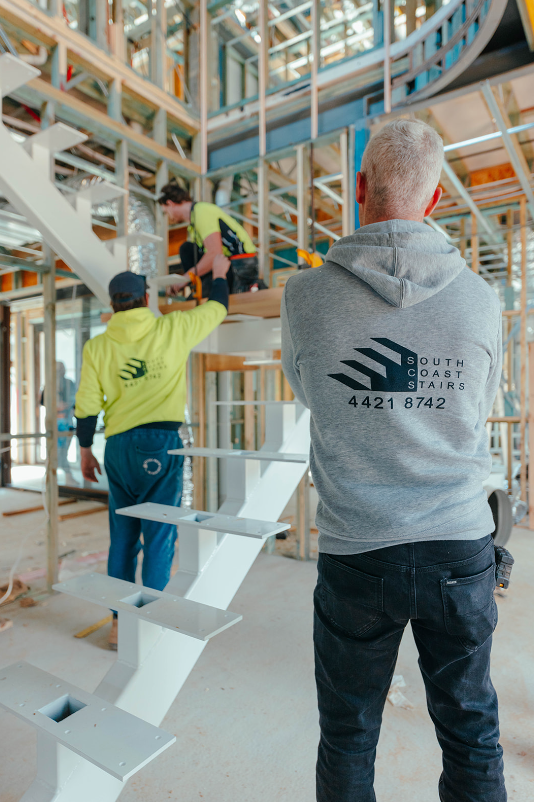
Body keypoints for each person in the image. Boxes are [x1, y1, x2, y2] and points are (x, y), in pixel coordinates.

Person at [281, 119, 505, 802]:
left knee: (349, 736)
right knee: (471, 734)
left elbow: (309, 390)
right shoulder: (481, 300)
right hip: (459, 546)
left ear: (358, 189)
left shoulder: (305, 295)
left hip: (358, 550)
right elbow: (476, 410)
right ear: (435, 200)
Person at [74, 256, 231, 649]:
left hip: (118, 448)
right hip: (159, 446)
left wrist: (84, 451)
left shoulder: (97, 346)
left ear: (113, 305)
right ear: (146, 298)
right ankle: (150, 622)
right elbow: (218, 308)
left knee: (123, 538)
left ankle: (118, 624)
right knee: (159, 535)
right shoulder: (172, 328)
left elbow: (87, 405)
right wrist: (221, 276)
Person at [157, 181, 264, 297]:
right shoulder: (193, 224)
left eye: (165, 212)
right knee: (187, 249)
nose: (168, 216)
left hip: (241, 265)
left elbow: (214, 253)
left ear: (170, 204)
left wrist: (186, 278)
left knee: (206, 297)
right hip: (228, 262)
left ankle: (203, 291)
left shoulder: (201, 212)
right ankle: (198, 288)